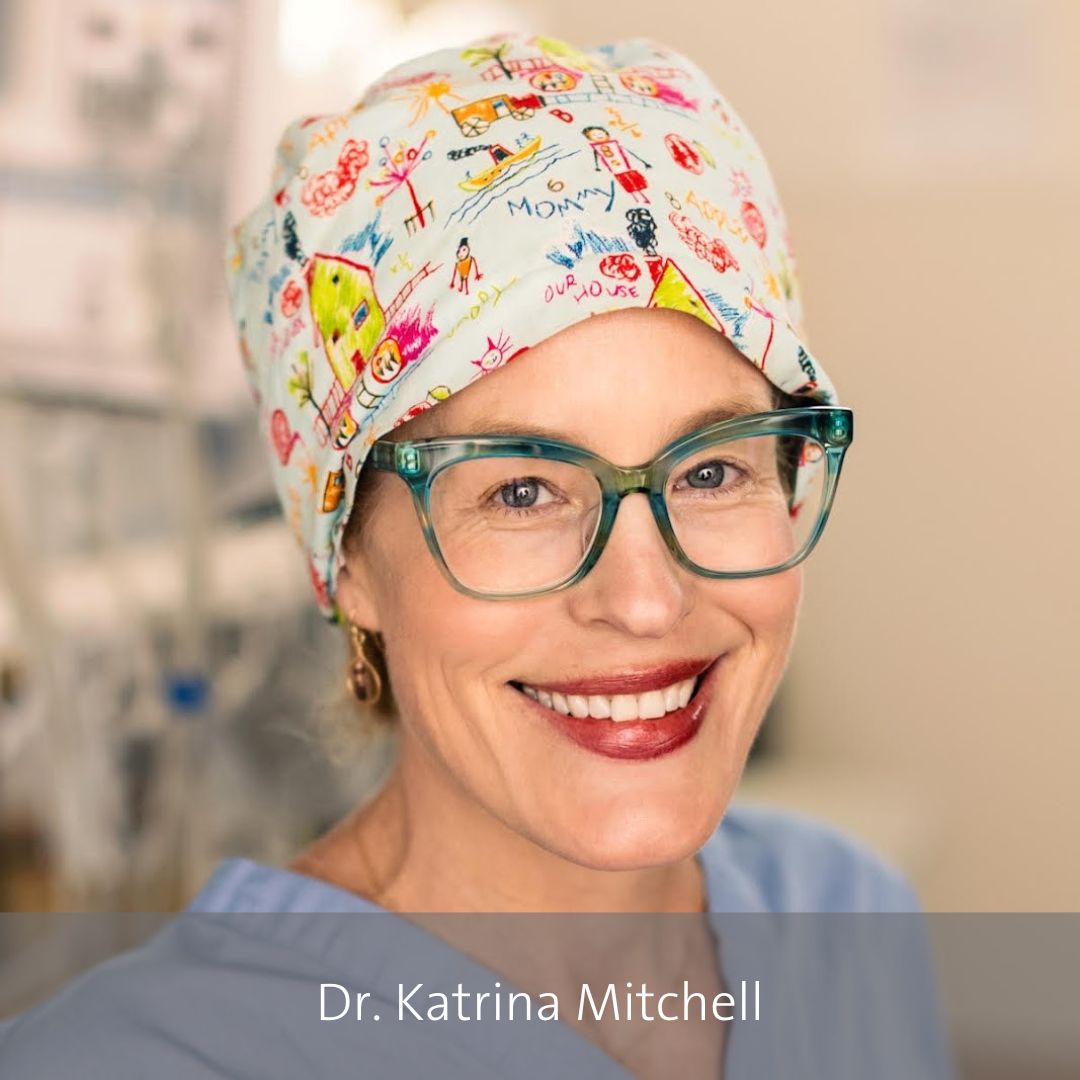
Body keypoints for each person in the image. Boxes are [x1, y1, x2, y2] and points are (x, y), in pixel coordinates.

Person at [0, 32, 953, 1078]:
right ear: (350, 560)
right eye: (523, 489)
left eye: (712, 470)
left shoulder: (844, 919)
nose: (643, 600)